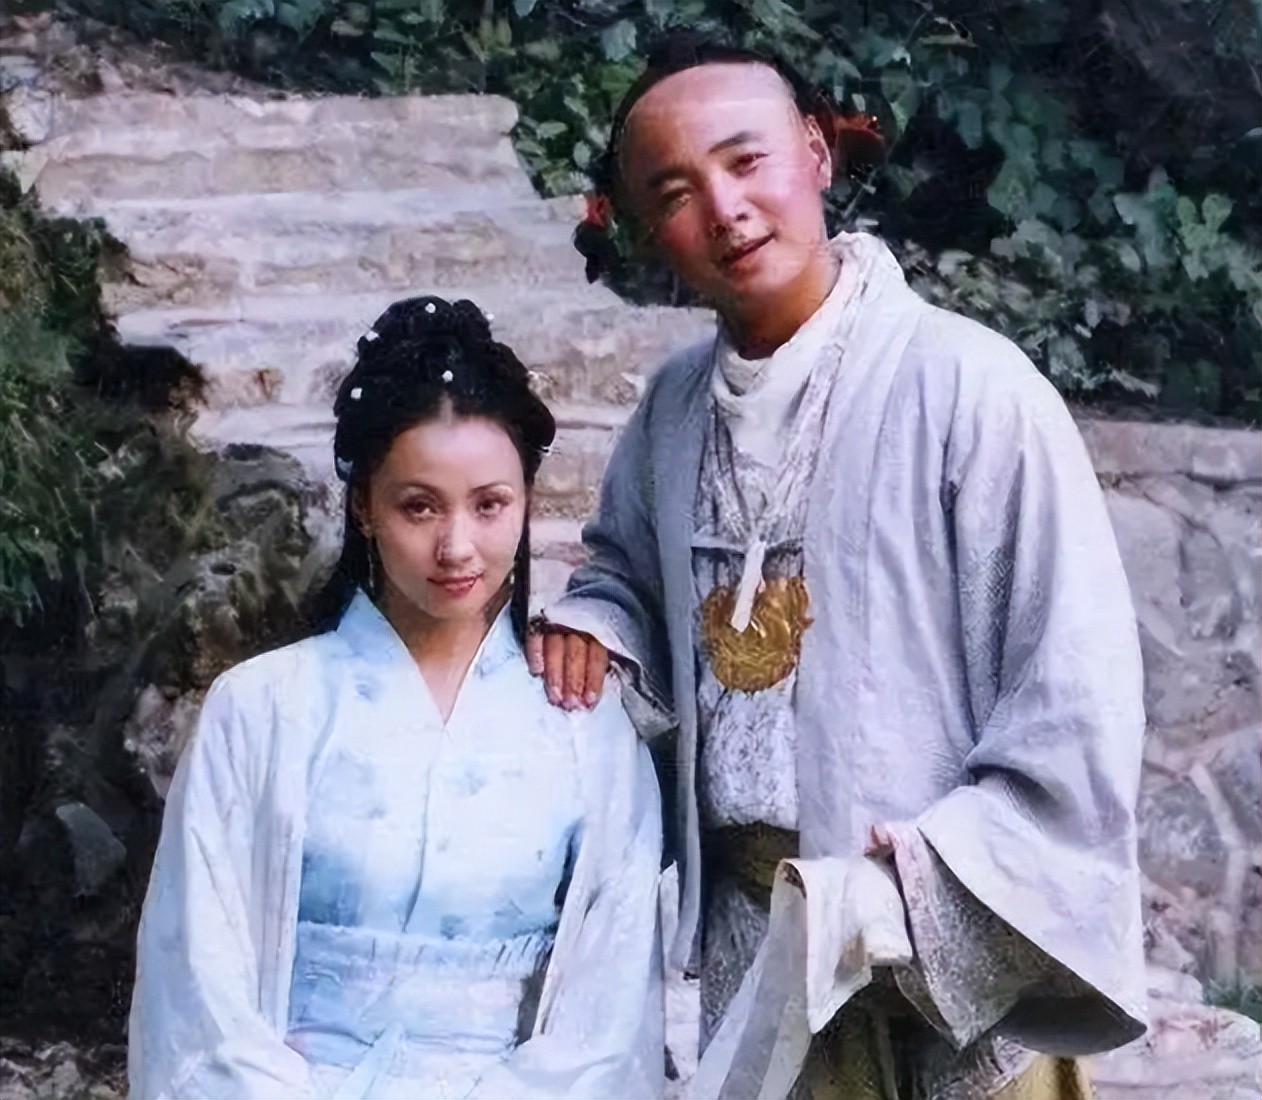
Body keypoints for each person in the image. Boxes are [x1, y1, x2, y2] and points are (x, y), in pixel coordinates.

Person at [531, 34, 1148, 1100]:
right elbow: (624, 579)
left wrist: (917, 884)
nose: (724, 209)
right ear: (640, 228)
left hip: (938, 931)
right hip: (759, 941)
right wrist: (600, 629)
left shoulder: (969, 386)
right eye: (673, 191)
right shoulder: (670, 412)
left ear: (816, 152)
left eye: (747, 160)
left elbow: (1073, 693)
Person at [128, 296, 664, 1100]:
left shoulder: (586, 729)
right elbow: (197, 983)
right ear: (363, 507)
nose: (457, 546)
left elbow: (608, 1012)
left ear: (527, 502)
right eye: (419, 506)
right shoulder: (262, 709)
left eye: (490, 505)